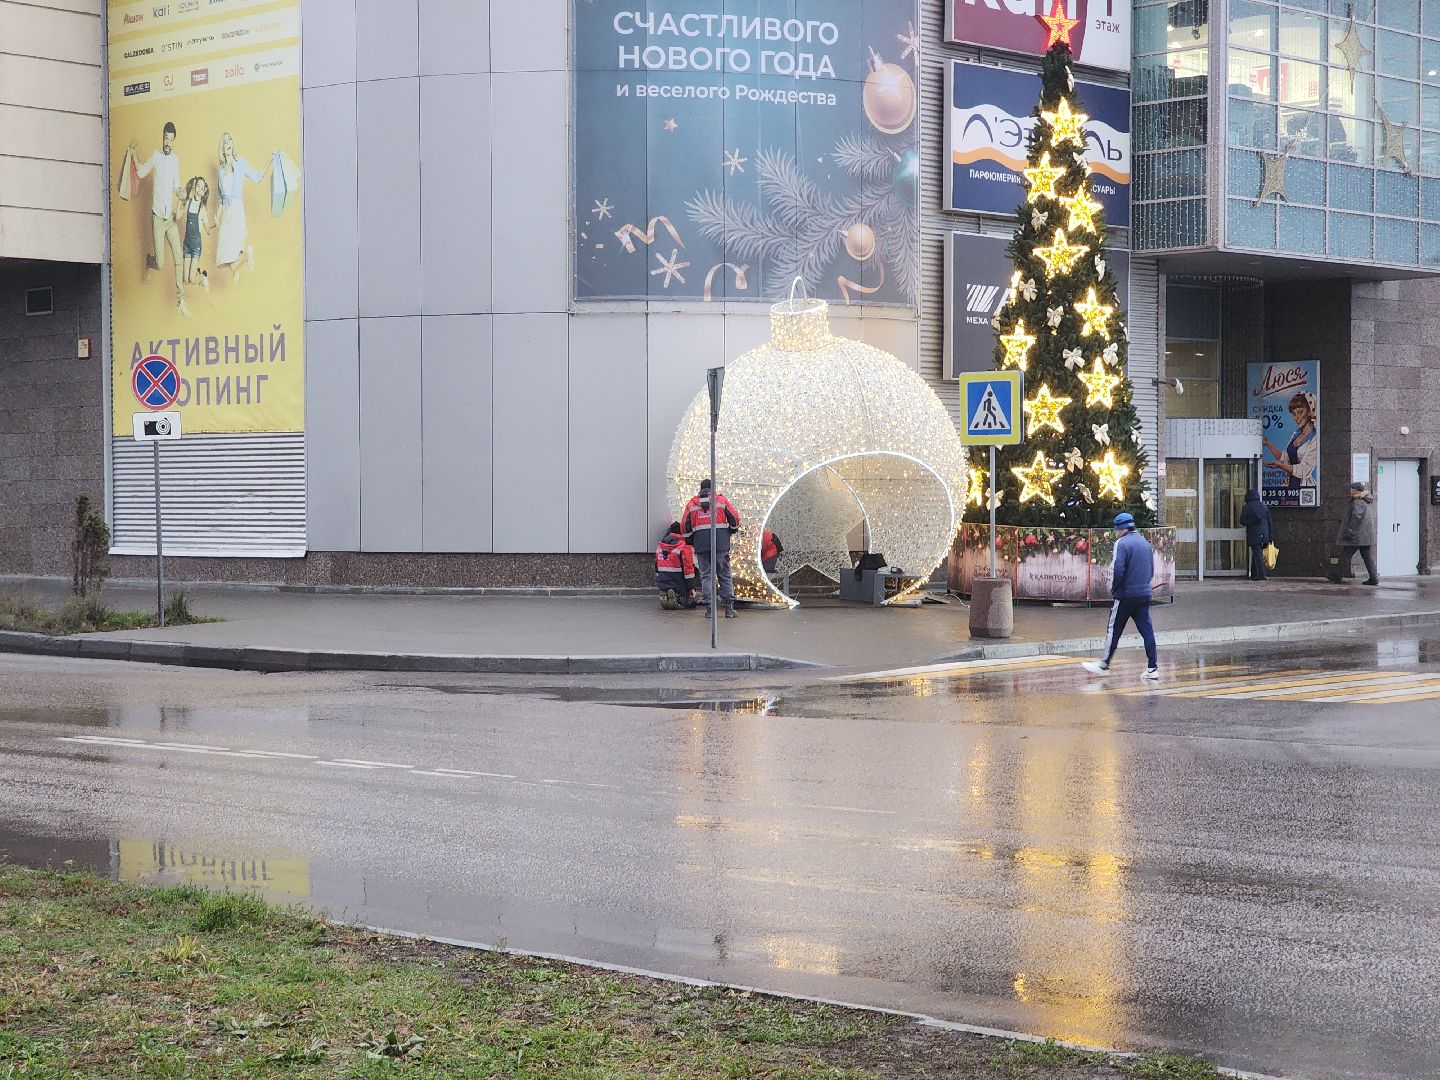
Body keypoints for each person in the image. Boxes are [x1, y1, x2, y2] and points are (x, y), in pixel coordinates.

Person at [1082, 512, 1160, 680]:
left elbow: (1118, 570)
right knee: (1147, 631)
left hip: (1125, 595)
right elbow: (1151, 570)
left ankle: (1104, 665)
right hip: (1144, 595)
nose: (1116, 533)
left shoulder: (1122, 543)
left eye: (1117, 529)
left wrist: (1115, 589)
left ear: (1122, 529)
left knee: (1113, 630)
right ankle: (1152, 669)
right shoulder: (1145, 543)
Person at [132, 121, 187, 315]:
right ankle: (149, 261)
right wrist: (133, 154)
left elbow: (176, 186)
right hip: (157, 219)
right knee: (161, 263)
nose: (168, 142)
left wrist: (181, 193)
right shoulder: (156, 156)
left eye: (171, 139)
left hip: (170, 219)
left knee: (178, 257)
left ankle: (181, 299)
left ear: (174, 141)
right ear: (162, 137)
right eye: (166, 138)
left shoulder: (175, 160)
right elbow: (140, 172)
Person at [215, 133, 274, 285]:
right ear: (221, 147)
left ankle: (245, 258)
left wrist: (270, 161)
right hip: (226, 213)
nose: (227, 143)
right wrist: (216, 215)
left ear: (233, 145)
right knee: (223, 257)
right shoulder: (221, 171)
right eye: (224, 141)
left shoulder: (240, 163)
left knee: (233, 258)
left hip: (236, 210)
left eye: (230, 140)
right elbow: (221, 198)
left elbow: (257, 177)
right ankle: (242, 261)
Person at [681, 479, 740, 618]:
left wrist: (691, 540)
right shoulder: (721, 500)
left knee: (707, 576)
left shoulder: (691, 504)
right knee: (724, 574)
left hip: (701, 545)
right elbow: (735, 519)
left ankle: (709, 609)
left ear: (700, 489)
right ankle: (729, 609)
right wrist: (731, 531)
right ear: (712, 488)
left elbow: (684, 526)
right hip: (720, 544)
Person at [1263, 392, 1318, 499]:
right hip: (1289, 485)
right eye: (1294, 414)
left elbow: (1304, 469)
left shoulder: (1315, 437)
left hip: (1304, 487)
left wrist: (1280, 465)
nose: (1296, 418)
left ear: (1309, 412)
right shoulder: (1296, 434)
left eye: (1300, 412)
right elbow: (1286, 458)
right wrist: (1268, 444)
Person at [1329, 481, 1379, 585]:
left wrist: (1349, 531)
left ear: (1356, 490)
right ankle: (1374, 578)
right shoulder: (1364, 501)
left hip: (1356, 535)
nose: (1350, 490)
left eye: (1352, 488)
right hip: (1363, 536)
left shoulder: (1358, 501)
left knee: (1345, 555)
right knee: (1367, 557)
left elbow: (1356, 517)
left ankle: (1337, 576)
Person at [180, 177, 214, 294]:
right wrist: (180, 201)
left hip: (195, 246)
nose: (200, 188)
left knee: (192, 280)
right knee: (185, 280)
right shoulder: (188, 203)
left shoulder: (203, 209)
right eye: (198, 186)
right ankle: (197, 272)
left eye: (202, 187)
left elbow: (208, 230)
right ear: (194, 187)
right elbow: (179, 216)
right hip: (187, 244)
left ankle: (203, 276)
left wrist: (216, 224)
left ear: (204, 191)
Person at [655, 522, 697, 610]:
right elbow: (688, 568)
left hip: (663, 578)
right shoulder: (684, 546)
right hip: (678, 579)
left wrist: (659, 579)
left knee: (668, 583)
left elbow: (657, 564)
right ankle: (679, 597)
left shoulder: (660, 545)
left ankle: (666, 593)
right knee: (690, 602)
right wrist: (691, 587)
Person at [1239, 488, 1273, 581]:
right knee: (1256, 554)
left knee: (1257, 554)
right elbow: (1269, 522)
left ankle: (1261, 575)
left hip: (1254, 534)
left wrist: (1252, 521)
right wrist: (1270, 536)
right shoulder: (1264, 506)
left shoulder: (1247, 507)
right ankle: (1254, 574)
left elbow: (1242, 521)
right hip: (1264, 534)